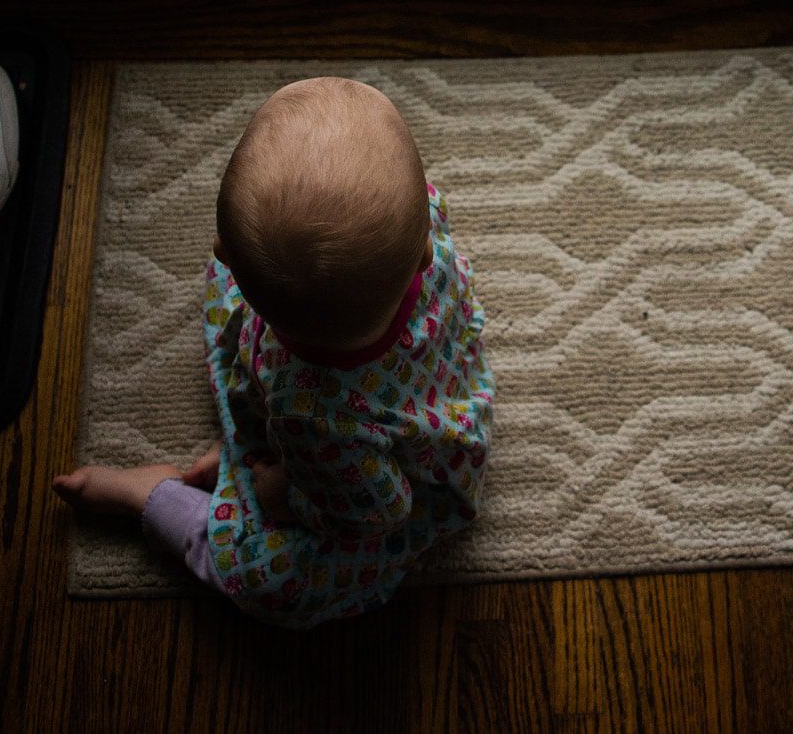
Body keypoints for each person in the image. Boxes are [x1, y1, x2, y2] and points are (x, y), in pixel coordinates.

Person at [54, 77, 495, 627]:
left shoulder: (316, 415)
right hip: (429, 387)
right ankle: (243, 456)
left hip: (409, 476)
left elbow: (381, 511)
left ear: (227, 257)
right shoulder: (423, 223)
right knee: (284, 245)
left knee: (271, 581)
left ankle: (160, 502)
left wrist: (287, 497)